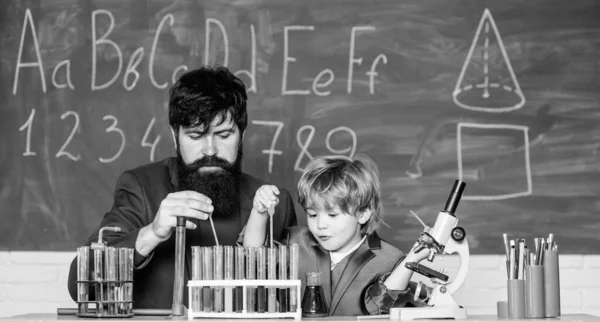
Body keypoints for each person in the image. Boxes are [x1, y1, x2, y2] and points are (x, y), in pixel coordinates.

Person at [67, 66, 297, 309]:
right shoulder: (141, 188)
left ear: (242, 133)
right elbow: (80, 286)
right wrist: (152, 233)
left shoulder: (275, 203)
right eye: (196, 136)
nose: (210, 150)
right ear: (175, 136)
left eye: (224, 134)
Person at [244, 154, 428, 316]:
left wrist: (411, 261)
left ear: (363, 213)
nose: (320, 225)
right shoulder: (294, 241)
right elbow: (253, 256)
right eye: (312, 214)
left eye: (332, 215)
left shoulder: (391, 259)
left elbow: (382, 308)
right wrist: (259, 213)